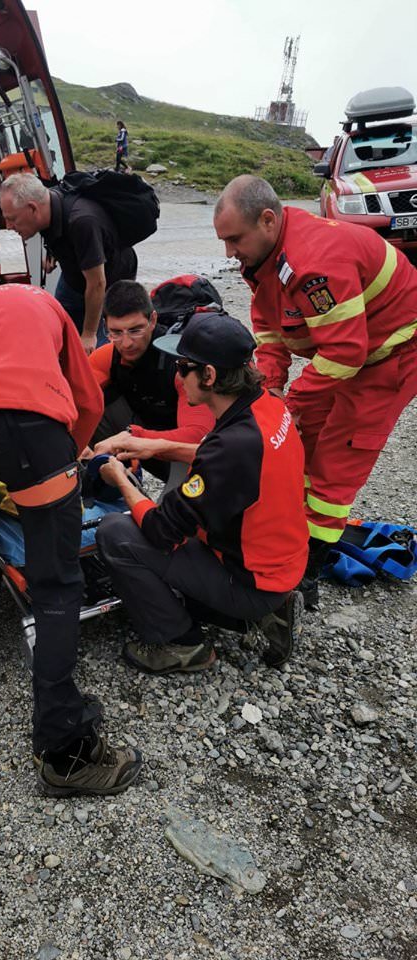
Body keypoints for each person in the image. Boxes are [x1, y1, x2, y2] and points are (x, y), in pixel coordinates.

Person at [0, 280, 142, 797]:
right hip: (29, 428)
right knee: (57, 582)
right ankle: (65, 751)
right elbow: (84, 394)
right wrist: (68, 455)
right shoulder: (42, 302)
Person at [213, 175, 417, 604]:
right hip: (350, 351)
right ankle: (289, 531)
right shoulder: (266, 260)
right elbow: (269, 335)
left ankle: (308, 567)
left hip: (392, 353)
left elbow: (344, 354)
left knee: (336, 459)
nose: (229, 253)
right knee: (298, 441)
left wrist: (293, 404)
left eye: (234, 240)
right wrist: (267, 397)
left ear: (268, 220)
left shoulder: (313, 261)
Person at [96, 311, 309, 673]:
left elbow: (162, 530)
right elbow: (230, 461)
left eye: (182, 367)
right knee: (173, 527)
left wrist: (118, 477)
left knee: (115, 533)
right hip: (278, 562)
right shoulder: (266, 407)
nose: (177, 377)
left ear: (208, 375)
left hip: (251, 580)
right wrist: (157, 445)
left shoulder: (232, 448)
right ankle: (268, 613)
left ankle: (182, 644)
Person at [0, 172, 137, 354]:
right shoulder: (48, 201)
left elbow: (97, 283)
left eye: (12, 219)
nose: (8, 226)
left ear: (32, 209)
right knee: (58, 329)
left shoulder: (82, 222)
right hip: (74, 275)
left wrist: (89, 334)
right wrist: (53, 254)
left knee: (96, 350)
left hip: (108, 283)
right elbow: (56, 230)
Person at [87, 279, 214, 479]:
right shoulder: (107, 356)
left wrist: (133, 438)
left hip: (192, 454)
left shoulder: (181, 363)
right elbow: (71, 402)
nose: (127, 343)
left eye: (136, 330)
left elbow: (198, 437)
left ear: (153, 320)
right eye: (116, 332)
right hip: (145, 439)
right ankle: (121, 482)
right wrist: (78, 447)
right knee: (90, 403)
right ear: (106, 326)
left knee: (180, 504)